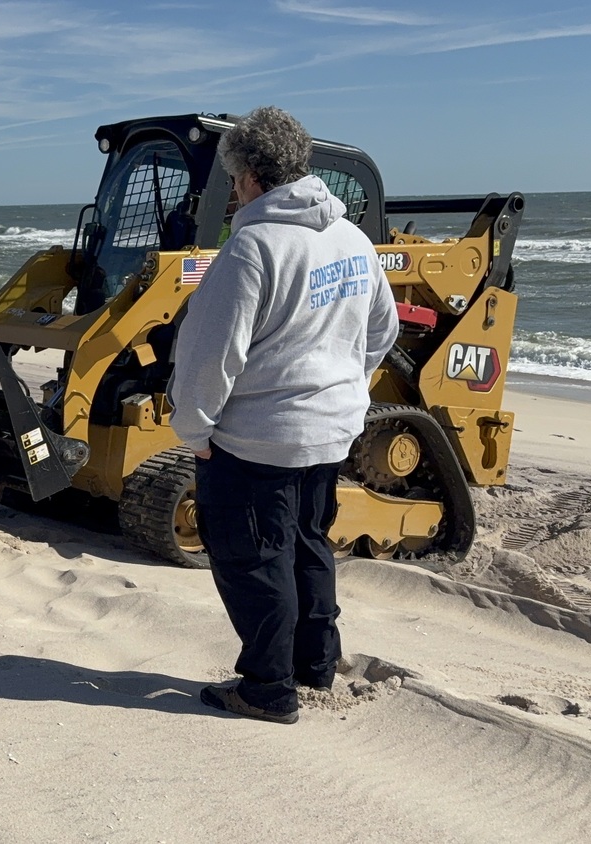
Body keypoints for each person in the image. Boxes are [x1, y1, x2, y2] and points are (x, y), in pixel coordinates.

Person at [169, 107, 398, 724]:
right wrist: (343, 388)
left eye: (234, 179)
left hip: (257, 439)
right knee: (308, 544)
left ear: (246, 177)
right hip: (329, 433)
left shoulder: (251, 248)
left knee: (251, 558)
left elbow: (208, 356)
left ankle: (268, 688)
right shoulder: (352, 239)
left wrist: (194, 430)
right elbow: (383, 328)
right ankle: (314, 666)